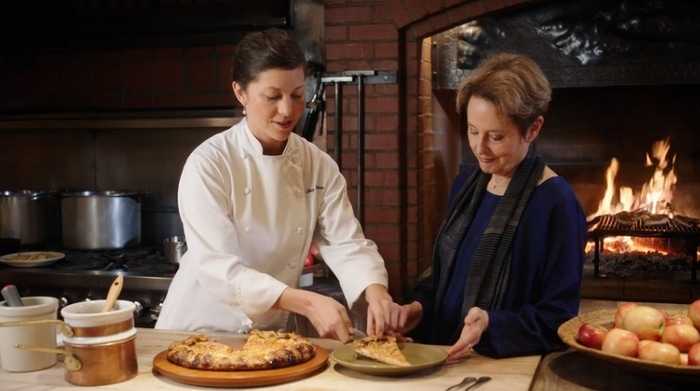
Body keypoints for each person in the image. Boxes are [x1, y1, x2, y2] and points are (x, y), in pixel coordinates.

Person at [156, 28, 399, 342]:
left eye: (297, 95)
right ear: (240, 93)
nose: (287, 110)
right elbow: (220, 268)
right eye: (272, 97)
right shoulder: (209, 163)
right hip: (200, 330)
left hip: (269, 335)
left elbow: (346, 243)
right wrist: (307, 302)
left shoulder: (317, 164)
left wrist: (376, 293)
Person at [396, 53, 587, 359]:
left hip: (500, 368)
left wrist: (491, 324)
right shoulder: (468, 183)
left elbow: (559, 319)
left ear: (533, 128)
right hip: (438, 356)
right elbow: (444, 279)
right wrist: (418, 309)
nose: (480, 149)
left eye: (496, 137)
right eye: (473, 131)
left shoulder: (557, 204)